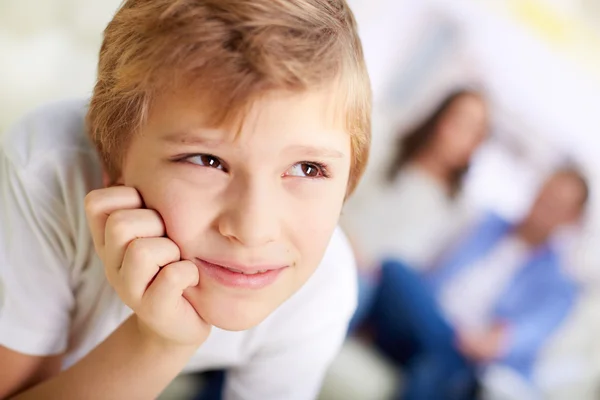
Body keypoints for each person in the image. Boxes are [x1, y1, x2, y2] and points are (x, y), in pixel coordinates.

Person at [0, 1, 372, 399]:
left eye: (307, 169)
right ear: (111, 159)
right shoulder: (47, 170)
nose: (253, 231)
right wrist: (157, 343)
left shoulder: (323, 287)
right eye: (207, 161)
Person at [368, 167, 587, 399]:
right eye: (545, 193)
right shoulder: (483, 222)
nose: (544, 204)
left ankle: (444, 351)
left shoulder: (558, 284)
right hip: (427, 321)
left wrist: (490, 342)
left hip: (470, 360)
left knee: (439, 366)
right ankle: (444, 348)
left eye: (556, 203)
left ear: (571, 218)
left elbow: (516, 339)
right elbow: (428, 271)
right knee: (394, 270)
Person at [343, 89, 488, 272]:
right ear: (440, 117)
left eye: (472, 130)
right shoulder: (387, 147)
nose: (458, 133)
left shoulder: (458, 214)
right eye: (459, 120)